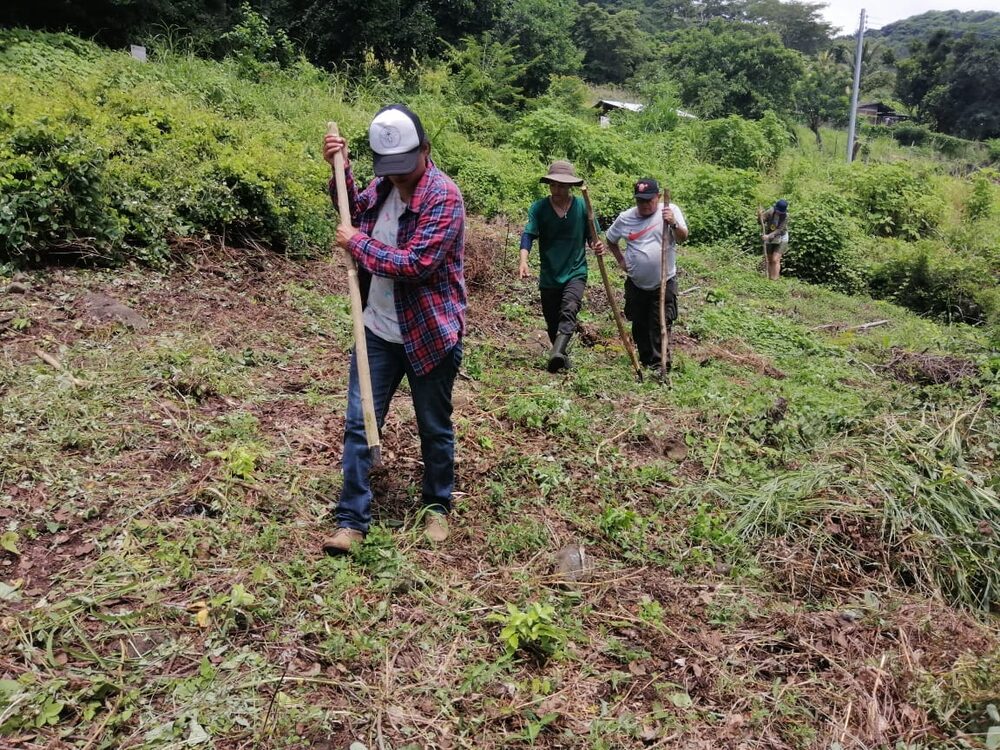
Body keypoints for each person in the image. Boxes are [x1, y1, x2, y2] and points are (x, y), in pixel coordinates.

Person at [320, 104, 466, 554]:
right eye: (392, 170)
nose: (399, 178)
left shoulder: (444, 197)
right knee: (360, 423)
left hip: (429, 332)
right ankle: (351, 520)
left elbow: (416, 264)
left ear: (425, 149)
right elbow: (354, 210)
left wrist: (357, 244)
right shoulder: (384, 185)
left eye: (405, 168)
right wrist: (339, 170)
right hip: (378, 331)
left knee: (433, 426)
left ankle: (437, 505)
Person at [596, 178, 688, 370]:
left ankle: (660, 365)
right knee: (639, 324)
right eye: (640, 201)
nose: (645, 205)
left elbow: (683, 237)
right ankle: (646, 362)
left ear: (658, 197)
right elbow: (611, 240)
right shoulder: (626, 218)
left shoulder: (670, 211)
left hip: (663, 281)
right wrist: (621, 261)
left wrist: (673, 223)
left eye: (649, 200)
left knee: (659, 322)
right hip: (636, 284)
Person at [518, 160, 594, 372]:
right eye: (553, 185)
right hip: (550, 274)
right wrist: (523, 260)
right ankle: (560, 357)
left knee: (569, 308)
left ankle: (556, 354)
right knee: (552, 321)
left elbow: (592, 236)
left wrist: (596, 245)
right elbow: (528, 235)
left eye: (562, 185)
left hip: (575, 271)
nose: (557, 189)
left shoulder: (582, 206)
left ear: (570, 186)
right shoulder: (540, 208)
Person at [758, 199, 788, 281]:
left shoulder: (786, 216)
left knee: (775, 259)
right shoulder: (770, 211)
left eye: (781, 212)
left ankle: (775, 279)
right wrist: (759, 215)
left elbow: (780, 230)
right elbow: (760, 222)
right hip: (769, 235)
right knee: (769, 258)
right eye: (778, 211)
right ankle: (769, 278)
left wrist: (768, 236)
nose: (779, 213)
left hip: (781, 237)